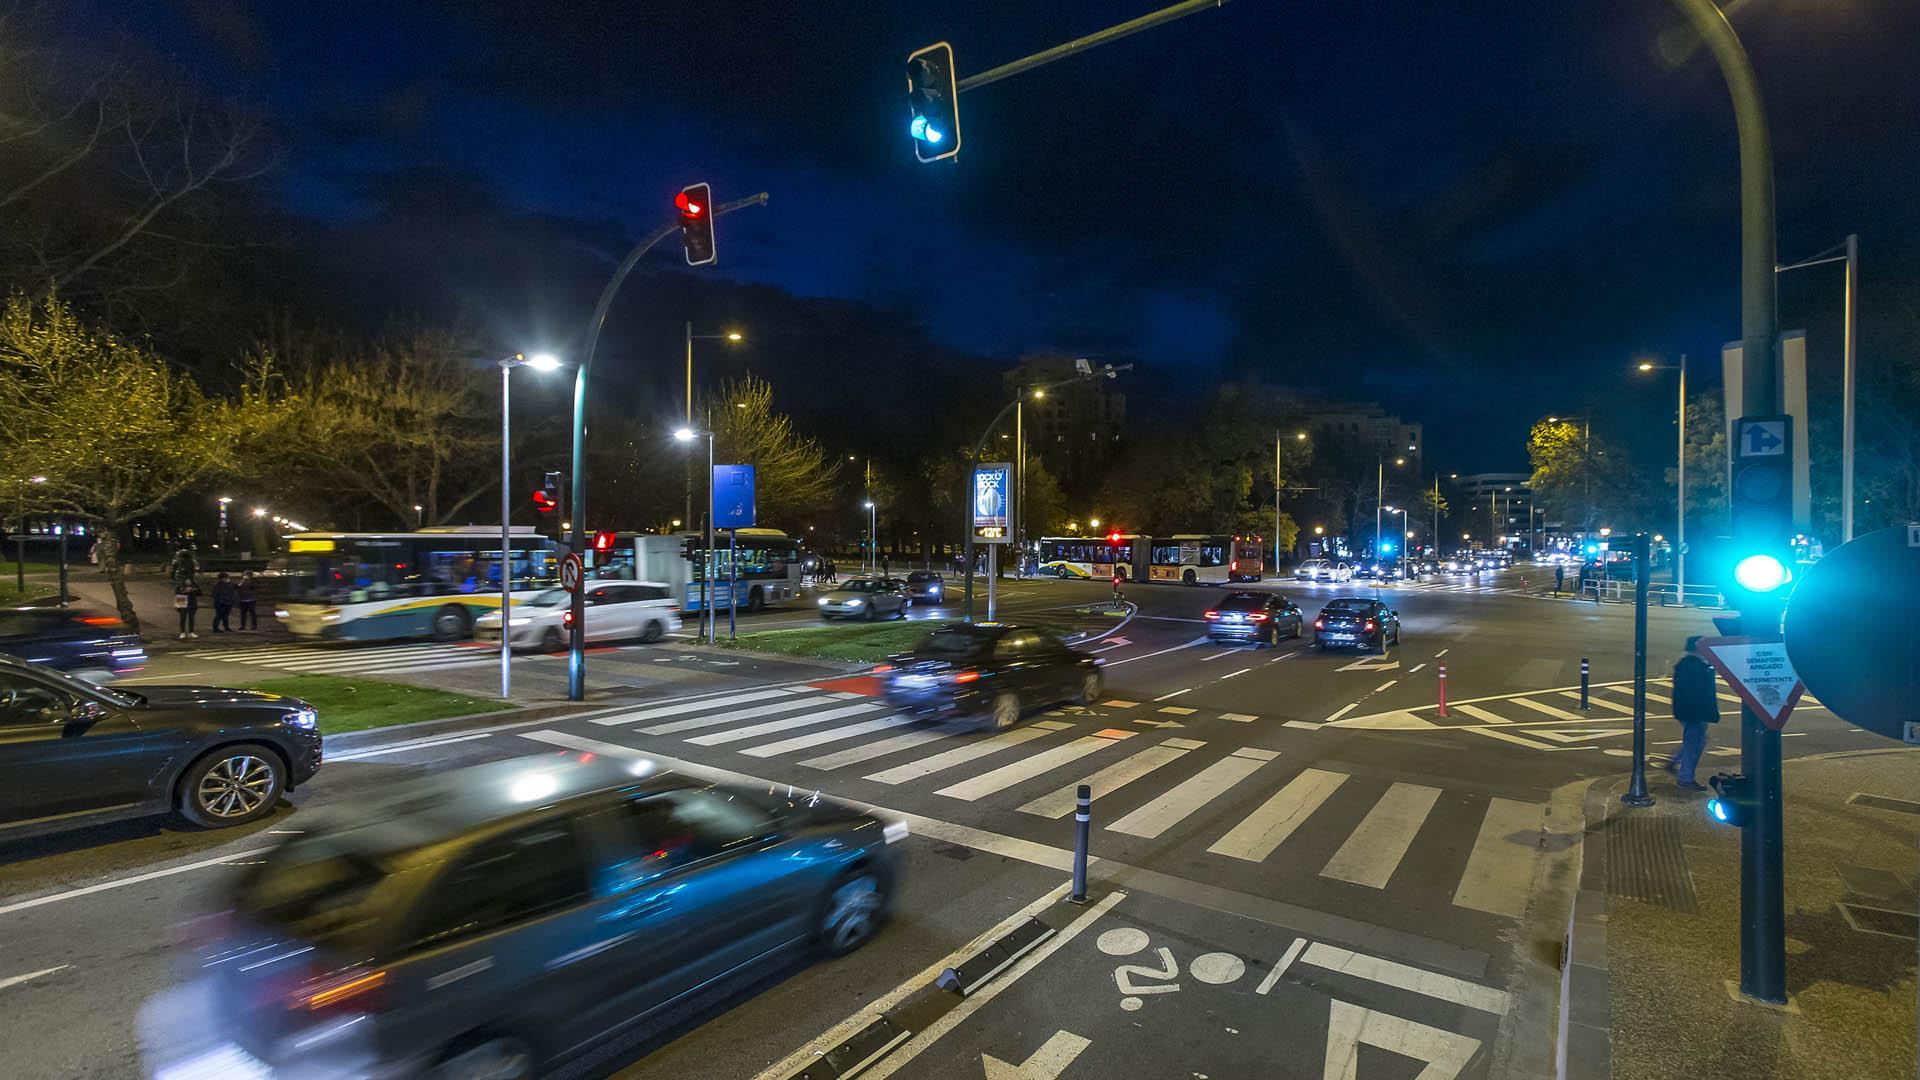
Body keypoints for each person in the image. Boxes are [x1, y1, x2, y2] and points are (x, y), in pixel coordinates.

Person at [1669, 636, 1719, 790]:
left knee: (1696, 741)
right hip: (1694, 713)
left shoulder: (1690, 664)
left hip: (1690, 711)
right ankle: (1685, 778)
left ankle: (1676, 762)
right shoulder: (1696, 667)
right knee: (1694, 744)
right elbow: (1698, 693)